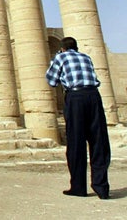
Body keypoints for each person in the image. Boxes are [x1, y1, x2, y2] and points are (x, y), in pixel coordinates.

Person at [45, 36, 110, 200]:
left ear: (62, 48)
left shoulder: (61, 56)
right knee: (99, 141)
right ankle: (102, 188)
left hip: (76, 98)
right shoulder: (85, 57)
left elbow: (51, 80)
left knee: (76, 142)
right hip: (94, 96)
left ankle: (78, 187)